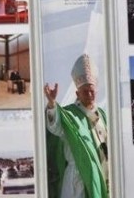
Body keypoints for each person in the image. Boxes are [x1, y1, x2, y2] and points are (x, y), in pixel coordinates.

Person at [44, 54, 108, 198]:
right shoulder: (69, 114)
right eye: (85, 92)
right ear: (77, 93)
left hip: (102, 176)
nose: (90, 95)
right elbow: (55, 126)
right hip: (77, 180)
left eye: (92, 91)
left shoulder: (102, 115)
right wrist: (52, 104)